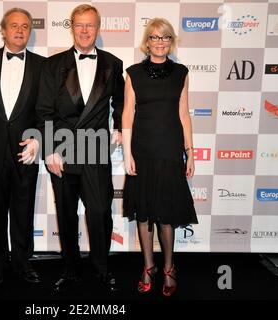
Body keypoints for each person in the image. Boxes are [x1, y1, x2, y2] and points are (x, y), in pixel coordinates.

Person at [36, 4, 124, 293]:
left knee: (99, 212)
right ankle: (71, 268)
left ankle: (101, 268)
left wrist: (120, 127)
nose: (85, 30)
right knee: (66, 213)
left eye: (91, 25)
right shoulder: (53, 64)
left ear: (98, 28)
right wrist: (49, 150)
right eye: (79, 25)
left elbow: (120, 103)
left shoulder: (113, 63)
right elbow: (45, 110)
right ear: (71, 27)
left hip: (96, 150)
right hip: (61, 150)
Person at [122, 18, 198, 297]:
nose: (159, 42)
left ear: (171, 41)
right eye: (154, 37)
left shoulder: (181, 72)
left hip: (169, 152)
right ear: (147, 41)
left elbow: (184, 113)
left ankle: (168, 267)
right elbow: (127, 114)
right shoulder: (132, 73)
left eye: (165, 38)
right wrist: (127, 152)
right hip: (142, 151)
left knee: (165, 215)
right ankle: (147, 266)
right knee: (144, 216)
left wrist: (190, 152)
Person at [0, 8, 45, 287]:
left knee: (24, 210)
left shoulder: (43, 66)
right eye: (14, 25)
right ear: (3, 30)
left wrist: (38, 139)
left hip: (25, 152)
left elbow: (46, 110)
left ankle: (23, 262)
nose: (19, 30)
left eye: (25, 26)